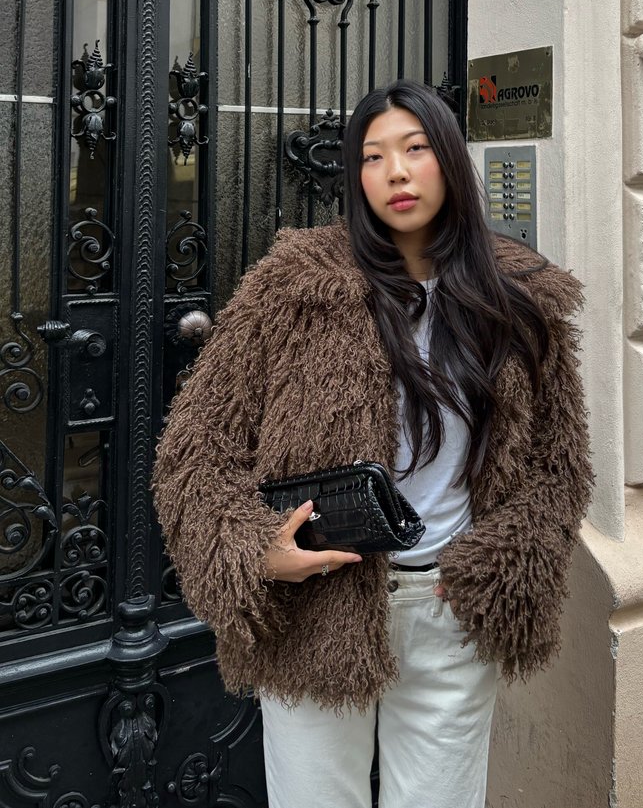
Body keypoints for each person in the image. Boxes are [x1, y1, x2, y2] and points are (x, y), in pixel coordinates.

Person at [152, 78, 592, 808]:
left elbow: (559, 464)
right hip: (317, 606)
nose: (395, 172)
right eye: (373, 155)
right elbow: (195, 449)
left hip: (448, 607)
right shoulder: (295, 288)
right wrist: (253, 552)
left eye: (415, 149)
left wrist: (498, 564)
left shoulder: (515, 297)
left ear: (448, 157)